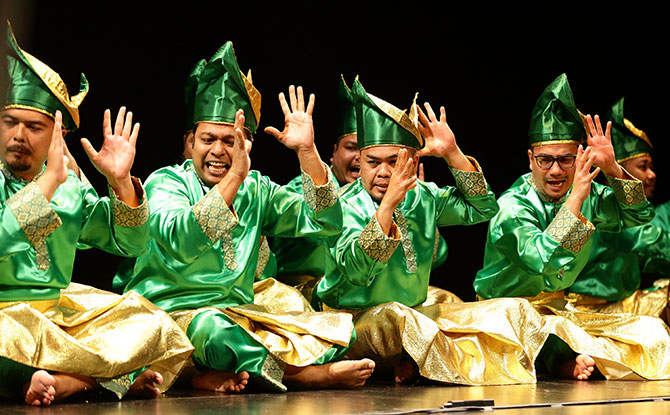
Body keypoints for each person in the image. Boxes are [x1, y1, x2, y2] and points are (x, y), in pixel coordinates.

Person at [114, 42, 374, 393]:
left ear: (247, 145)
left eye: (231, 140)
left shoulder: (257, 189)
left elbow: (324, 221)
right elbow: (181, 240)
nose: (219, 150)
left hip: (238, 312)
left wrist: (308, 154)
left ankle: (198, 376)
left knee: (338, 331)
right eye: (209, 139)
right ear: (191, 142)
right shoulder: (167, 182)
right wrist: (235, 177)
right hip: (172, 314)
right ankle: (301, 376)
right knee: (215, 331)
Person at [0, 24, 193, 406]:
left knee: (154, 325)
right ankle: (92, 379)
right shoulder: (56, 180)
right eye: (9, 122)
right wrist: (50, 181)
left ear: (59, 135)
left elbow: (131, 244)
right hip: (4, 316)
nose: (18, 134)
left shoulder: (69, 185)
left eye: (33, 126)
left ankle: (69, 380)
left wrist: (120, 182)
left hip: (57, 316)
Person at [314, 77, 550, 386]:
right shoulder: (341, 206)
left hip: (414, 313)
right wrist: (387, 208)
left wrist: (452, 153)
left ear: (411, 163)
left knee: (511, 308)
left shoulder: (423, 196)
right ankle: (424, 363)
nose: (383, 172)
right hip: (353, 322)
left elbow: (482, 209)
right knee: (400, 318)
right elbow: (358, 273)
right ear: (362, 161)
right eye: (373, 162)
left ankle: (415, 361)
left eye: (393, 162)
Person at [474, 74, 670, 381]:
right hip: (507, 314)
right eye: (545, 160)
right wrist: (576, 196)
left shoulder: (587, 193)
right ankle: (560, 361)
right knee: (539, 331)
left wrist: (611, 169)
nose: (555, 170)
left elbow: (639, 217)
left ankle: (563, 358)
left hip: (559, 310)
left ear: (581, 157)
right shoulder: (512, 206)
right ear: (530, 159)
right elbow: (541, 259)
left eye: (566, 160)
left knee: (651, 333)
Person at [272, 77, 448, 301]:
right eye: (351, 148)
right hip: (314, 295)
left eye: (391, 161)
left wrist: (418, 209)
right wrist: (306, 152)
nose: (359, 158)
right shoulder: (306, 190)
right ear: (333, 153)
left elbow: (436, 256)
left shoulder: (385, 194)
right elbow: (324, 216)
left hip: (376, 296)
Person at [573, 97, 670, 317]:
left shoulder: (637, 210)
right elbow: (653, 242)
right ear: (620, 170)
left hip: (625, 303)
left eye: (652, 167)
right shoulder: (604, 205)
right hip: (590, 310)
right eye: (643, 167)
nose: (652, 175)